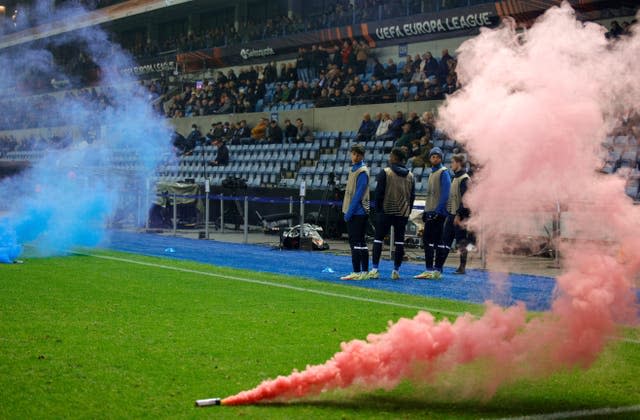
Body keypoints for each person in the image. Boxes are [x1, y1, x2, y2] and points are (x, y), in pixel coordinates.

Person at [368, 148, 415, 280]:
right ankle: (396, 271)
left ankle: (375, 269)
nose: (389, 158)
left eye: (391, 156)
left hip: (386, 211)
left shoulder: (386, 172)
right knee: (400, 242)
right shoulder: (410, 175)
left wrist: (378, 210)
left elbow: (379, 193)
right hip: (403, 212)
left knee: (378, 239)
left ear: (394, 158)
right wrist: (408, 210)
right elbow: (412, 196)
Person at [414, 147, 451, 279]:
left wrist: (438, 211)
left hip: (437, 213)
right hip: (430, 211)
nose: (435, 158)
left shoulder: (443, 172)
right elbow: (430, 195)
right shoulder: (432, 173)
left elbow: (446, 194)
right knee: (436, 240)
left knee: (430, 240)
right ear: (430, 158)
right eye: (433, 156)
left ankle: (432, 269)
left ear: (441, 158)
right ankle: (436, 270)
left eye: (437, 156)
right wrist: (425, 211)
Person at [340, 144, 370, 281]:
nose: (355, 157)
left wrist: (349, 212)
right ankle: (364, 271)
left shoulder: (362, 171)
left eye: (358, 155)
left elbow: (358, 195)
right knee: (360, 242)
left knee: (356, 242)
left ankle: (357, 271)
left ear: (362, 156)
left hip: (358, 212)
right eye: (354, 154)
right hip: (355, 211)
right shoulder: (354, 169)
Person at [442, 154, 471, 274]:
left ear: (458, 163)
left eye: (452, 162)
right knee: (446, 241)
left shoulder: (464, 179)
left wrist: (459, 215)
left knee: (461, 242)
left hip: (460, 216)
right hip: (452, 214)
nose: (451, 164)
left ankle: (462, 267)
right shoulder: (455, 177)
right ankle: (439, 265)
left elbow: (466, 199)